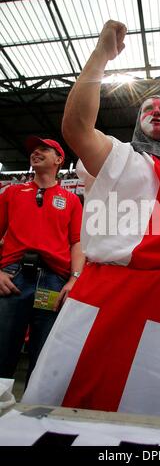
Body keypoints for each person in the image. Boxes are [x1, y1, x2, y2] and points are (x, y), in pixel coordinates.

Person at [22, 21, 160, 421]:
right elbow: (75, 127)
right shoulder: (119, 155)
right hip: (111, 297)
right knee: (80, 414)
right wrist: (102, 55)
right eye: (148, 107)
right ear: (137, 123)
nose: (157, 111)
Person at [0, 136, 84, 383]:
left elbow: (77, 243)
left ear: (59, 160)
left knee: (44, 354)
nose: (35, 153)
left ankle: (36, 415)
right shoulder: (12, 193)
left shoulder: (71, 200)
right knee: (3, 351)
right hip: (12, 279)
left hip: (53, 282)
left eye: (43, 150)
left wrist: (74, 279)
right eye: (33, 151)